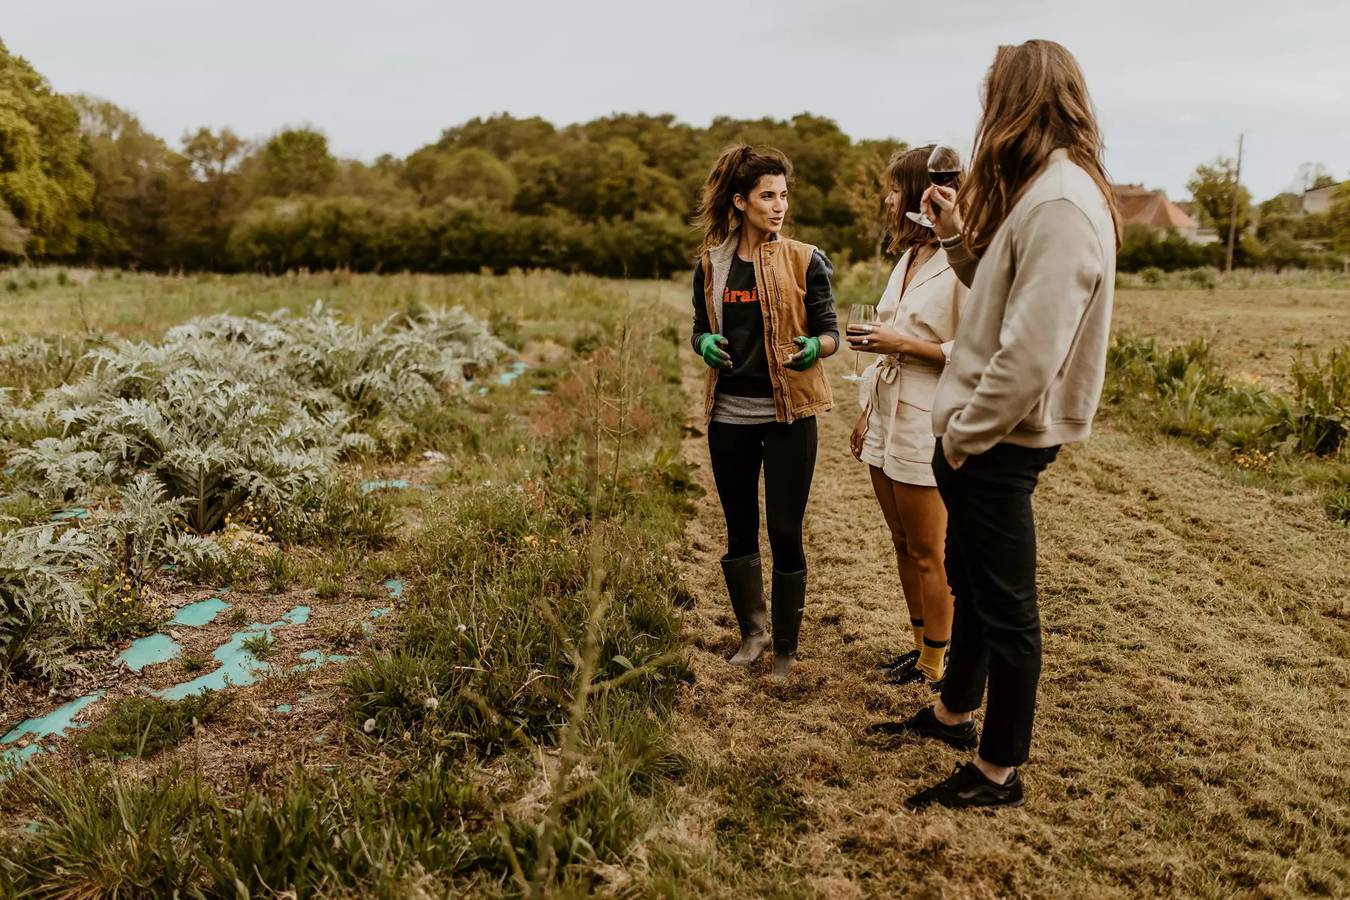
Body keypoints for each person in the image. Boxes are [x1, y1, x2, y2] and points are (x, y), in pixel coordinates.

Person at [884, 40, 1120, 809]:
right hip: (987, 437)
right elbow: (999, 292)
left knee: (1008, 608)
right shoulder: (1044, 191)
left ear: (1014, 101)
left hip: (999, 440)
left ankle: (997, 770)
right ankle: (954, 713)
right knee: (976, 585)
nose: (984, 116)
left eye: (992, 97)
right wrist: (955, 236)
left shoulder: (1058, 202)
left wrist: (962, 436)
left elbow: (1029, 354)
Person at [690, 144, 839, 681]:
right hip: (729, 414)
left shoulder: (807, 258)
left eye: (783, 195)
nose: (778, 206)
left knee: (785, 530)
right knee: (738, 528)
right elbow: (696, 326)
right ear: (739, 201)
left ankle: (784, 647)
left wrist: (814, 349)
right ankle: (751, 634)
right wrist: (704, 340)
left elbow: (830, 330)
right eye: (767, 195)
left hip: (789, 416)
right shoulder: (712, 264)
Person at [847, 146, 967, 690]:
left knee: (928, 550)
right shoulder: (909, 256)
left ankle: (937, 663)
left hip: (927, 413)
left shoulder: (962, 257)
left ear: (924, 190)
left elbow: (975, 348)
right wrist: (867, 411)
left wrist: (902, 343)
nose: (888, 198)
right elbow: (891, 330)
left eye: (896, 188)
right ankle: (919, 644)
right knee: (900, 539)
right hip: (887, 408)